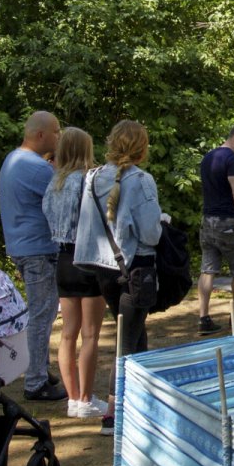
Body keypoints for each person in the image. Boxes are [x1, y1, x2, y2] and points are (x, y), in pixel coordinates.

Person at [73, 120, 163, 432]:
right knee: (128, 339)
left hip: (103, 267)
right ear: (142, 147)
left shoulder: (92, 177)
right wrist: (163, 221)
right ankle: (114, 410)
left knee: (135, 332)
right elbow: (150, 233)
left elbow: (87, 225)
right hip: (135, 266)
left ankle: (142, 400)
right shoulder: (141, 180)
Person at [0, 111, 65, 402]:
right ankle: (35, 382)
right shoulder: (37, 168)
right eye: (56, 132)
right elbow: (63, 197)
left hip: (22, 246)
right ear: (41, 135)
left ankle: (39, 367)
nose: (59, 137)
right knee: (42, 314)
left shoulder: (13, 159)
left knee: (42, 312)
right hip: (39, 249)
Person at [42, 127, 107, 419]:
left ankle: (72, 399)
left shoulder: (53, 182)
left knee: (68, 334)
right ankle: (85, 398)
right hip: (89, 260)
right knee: (91, 334)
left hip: (63, 260)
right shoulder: (87, 181)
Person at [198, 123, 234, 334]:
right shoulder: (233, 160)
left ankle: (203, 317)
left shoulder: (208, 158)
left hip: (207, 221)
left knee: (208, 269)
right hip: (230, 222)